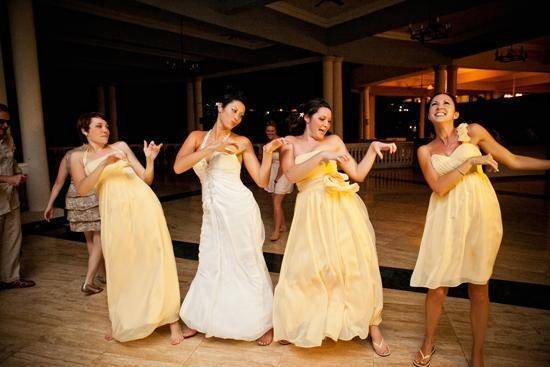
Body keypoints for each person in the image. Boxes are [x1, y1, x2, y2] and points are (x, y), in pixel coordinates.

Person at [410, 93, 550, 367]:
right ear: (428, 115)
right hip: (446, 217)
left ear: (456, 114)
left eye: (445, 104)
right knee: (437, 287)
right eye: (434, 104)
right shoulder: (425, 151)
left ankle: (478, 353)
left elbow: (512, 159)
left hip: (480, 214)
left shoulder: (472, 132)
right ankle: (428, 342)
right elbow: (439, 186)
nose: (439, 107)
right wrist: (469, 163)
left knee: (479, 286)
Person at [272, 98, 396, 354]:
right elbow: (292, 175)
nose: (326, 125)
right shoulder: (290, 143)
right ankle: (297, 322)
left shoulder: (335, 141)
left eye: (329, 121)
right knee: (306, 267)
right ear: (307, 117)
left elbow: (358, 174)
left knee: (354, 265)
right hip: (311, 210)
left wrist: (372, 149)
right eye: (321, 119)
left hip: (342, 208)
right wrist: (321, 156)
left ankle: (372, 326)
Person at [173, 89, 285, 346]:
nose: (237, 117)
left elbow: (261, 180)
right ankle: (201, 319)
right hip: (212, 212)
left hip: (238, 207)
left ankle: (264, 322)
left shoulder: (242, 142)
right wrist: (212, 147)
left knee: (247, 262)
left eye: (242, 115)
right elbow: (179, 167)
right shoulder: (196, 137)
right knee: (211, 261)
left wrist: (267, 155)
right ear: (220, 106)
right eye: (234, 110)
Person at [69, 112, 184, 344]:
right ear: (85, 130)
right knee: (120, 264)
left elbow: (146, 178)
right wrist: (103, 163)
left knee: (155, 259)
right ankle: (121, 321)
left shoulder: (120, 146)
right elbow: (82, 189)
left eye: (107, 126)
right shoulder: (77, 157)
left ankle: (173, 323)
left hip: (144, 206)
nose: (105, 130)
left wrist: (150, 159)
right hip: (114, 214)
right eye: (99, 126)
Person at [44, 144, 104, 294]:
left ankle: (102, 274)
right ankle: (89, 281)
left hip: (75, 198)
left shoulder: (69, 155)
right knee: (99, 239)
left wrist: (49, 204)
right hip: (93, 197)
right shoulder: (95, 152)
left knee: (91, 240)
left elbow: (59, 182)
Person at [0, 103, 35, 290]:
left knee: (12, 240)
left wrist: (18, 174)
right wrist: (8, 179)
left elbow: (11, 163)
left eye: (6, 122)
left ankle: (11, 277)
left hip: (11, 199)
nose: (5, 126)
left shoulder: (9, 139)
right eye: (0, 122)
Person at [263, 121, 293, 241]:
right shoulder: (269, 142)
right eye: (268, 131)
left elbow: (283, 162)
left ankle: (276, 231)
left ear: (276, 131)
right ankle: (283, 225)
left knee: (276, 203)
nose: (270, 133)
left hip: (282, 173)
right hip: (273, 172)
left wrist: (277, 178)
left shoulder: (280, 142)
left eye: (272, 130)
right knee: (276, 202)